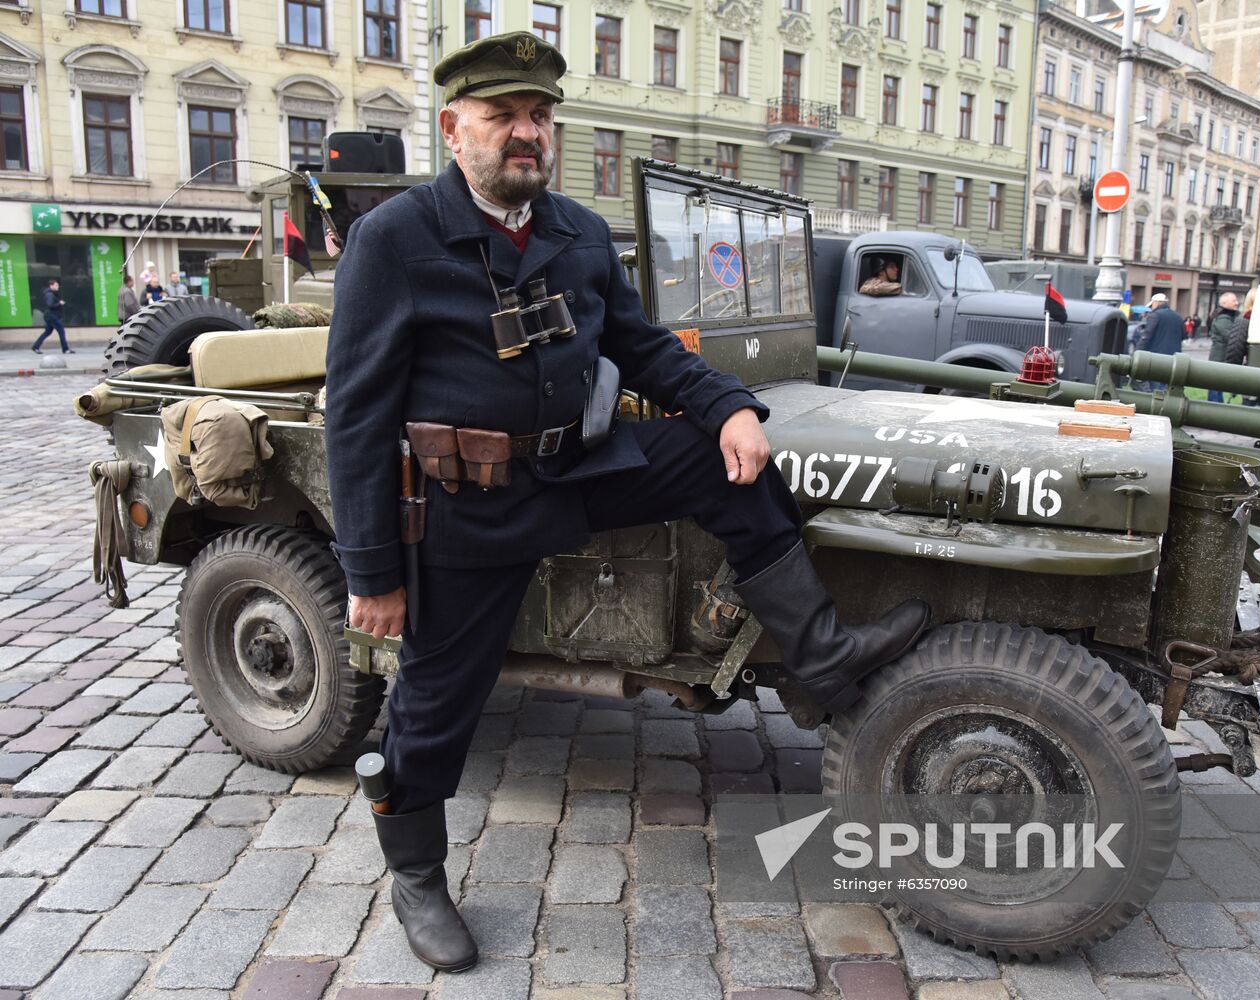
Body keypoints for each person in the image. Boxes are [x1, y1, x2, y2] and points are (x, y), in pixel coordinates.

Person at [325, 30, 930, 974]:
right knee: (435, 703)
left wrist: (729, 405)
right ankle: (416, 877)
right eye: (502, 118)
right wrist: (369, 573)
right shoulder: (394, 241)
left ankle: (818, 657)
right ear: (454, 129)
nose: (525, 134)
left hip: (578, 468)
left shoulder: (574, 230)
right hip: (467, 510)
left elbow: (643, 347)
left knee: (720, 457)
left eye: (538, 117)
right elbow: (355, 420)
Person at [1206, 292, 1241, 402]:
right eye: (1233, 300)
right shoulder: (1223, 319)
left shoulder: (1227, 317)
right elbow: (1230, 336)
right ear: (1224, 303)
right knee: (1215, 386)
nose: (1237, 303)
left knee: (1217, 386)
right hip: (1219, 358)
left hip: (1221, 357)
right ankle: (1214, 409)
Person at [31, 278, 73, 354]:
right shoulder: (50, 294)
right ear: (51, 286)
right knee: (61, 331)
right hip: (52, 316)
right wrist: (59, 303)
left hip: (50, 316)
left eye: (58, 285)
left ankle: (35, 346)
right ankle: (65, 349)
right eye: (56, 285)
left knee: (47, 332)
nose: (58, 287)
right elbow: (50, 305)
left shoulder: (51, 294)